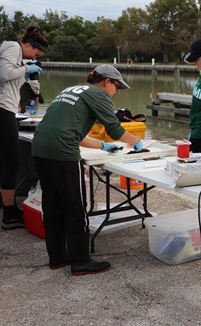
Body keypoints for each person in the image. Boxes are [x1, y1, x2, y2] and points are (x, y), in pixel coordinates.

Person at [31, 65, 144, 275]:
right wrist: (137, 141)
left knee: (52, 202)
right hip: (63, 153)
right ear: (107, 82)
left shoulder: (70, 90)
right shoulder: (99, 94)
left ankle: (57, 257)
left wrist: (103, 146)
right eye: (117, 87)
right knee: (75, 206)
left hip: (39, 148)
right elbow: (115, 129)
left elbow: (74, 132)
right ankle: (81, 261)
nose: (115, 92)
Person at [1, 26, 48, 230]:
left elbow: (13, 78)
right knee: (12, 161)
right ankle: (9, 214)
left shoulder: (20, 56)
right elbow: (4, 74)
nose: (34, 57)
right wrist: (26, 69)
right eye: (35, 53)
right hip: (2, 109)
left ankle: (7, 207)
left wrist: (29, 74)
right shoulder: (12, 46)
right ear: (28, 45)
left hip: (8, 109)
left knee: (6, 160)